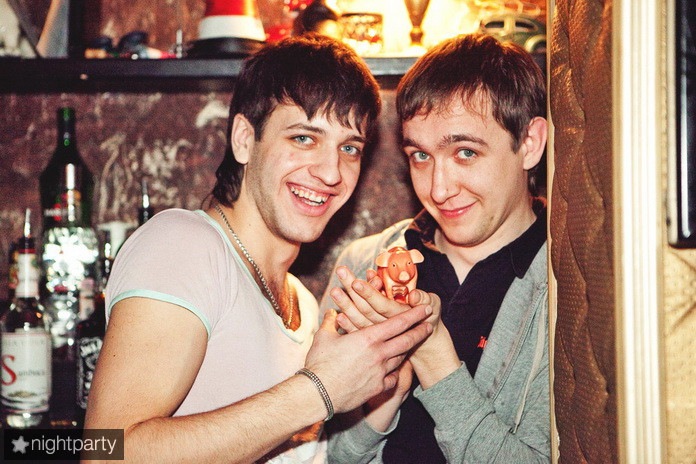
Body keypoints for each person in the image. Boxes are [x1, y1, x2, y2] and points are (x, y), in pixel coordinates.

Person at [84, 34, 435, 464]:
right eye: (304, 138)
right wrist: (320, 390)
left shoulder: (304, 305)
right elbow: (107, 453)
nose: (331, 172)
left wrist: (385, 385)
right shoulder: (183, 246)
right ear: (244, 139)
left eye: (349, 148)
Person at [320, 33, 550, 463]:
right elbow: (323, 456)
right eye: (421, 156)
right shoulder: (364, 263)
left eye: (465, 152)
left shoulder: (565, 290)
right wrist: (381, 403)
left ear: (530, 143)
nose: (439, 190)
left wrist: (435, 360)